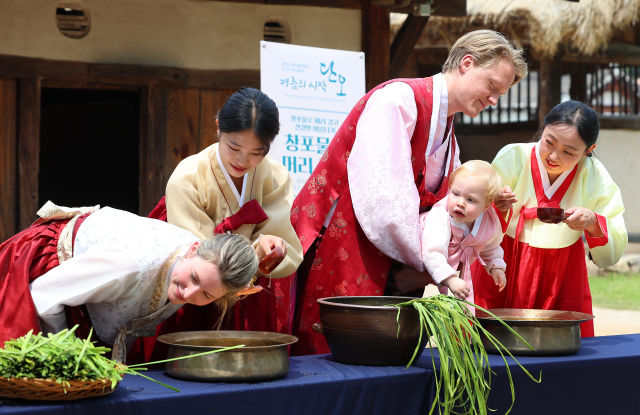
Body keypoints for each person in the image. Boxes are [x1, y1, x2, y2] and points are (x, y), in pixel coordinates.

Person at [289, 29, 528, 355]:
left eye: (501, 93)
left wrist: (483, 202)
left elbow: (443, 207)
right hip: (350, 243)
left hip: (394, 261)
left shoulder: (447, 129)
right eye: (492, 86)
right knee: (336, 358)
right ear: (467, 63)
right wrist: (429, 263)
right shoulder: (399, 100)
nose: (494, 99)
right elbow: (385, 198)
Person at [137, 87, 304, 362]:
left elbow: (281, 242)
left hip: (249, 292)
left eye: (256, 152)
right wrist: (255, 251)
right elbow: (198, 260)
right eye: (234, 147)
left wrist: (271, 248)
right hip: (196, 289)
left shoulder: (275, 176)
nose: (242, 160)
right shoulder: (188, 177)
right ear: (218, 129)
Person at [0, 202, 258, 363]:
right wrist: (67, 357)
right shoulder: (129, 265)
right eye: (194, 278)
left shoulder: (198, 265)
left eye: (207, 296)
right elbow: (43, 296)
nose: (189, 293)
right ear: (192, 249)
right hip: (45, 274)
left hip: (89, 291)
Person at [472, 100, 628, 337]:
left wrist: (592, 222)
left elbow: (614, 238)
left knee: (558, 350)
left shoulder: (594, 175)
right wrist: (494, 205)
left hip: (563, 269)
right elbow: (473, 207)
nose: (554, 156)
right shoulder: (513, 156)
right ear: (542, 130)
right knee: (487, 344)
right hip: (502, 263)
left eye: (568, 152)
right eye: (549, 142)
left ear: (588, 150)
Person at [419, 161, 506, 309]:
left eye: (470, 199)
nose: (460, 203)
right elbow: (433, 251)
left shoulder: (488, 221)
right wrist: (450, 279)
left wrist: (495, 265)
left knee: (450, 308)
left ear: (486, 205)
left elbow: (490, 246)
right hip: (424, 262)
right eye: (456, 194)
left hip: (451, 267)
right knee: (430, 305)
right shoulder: (440, 216)